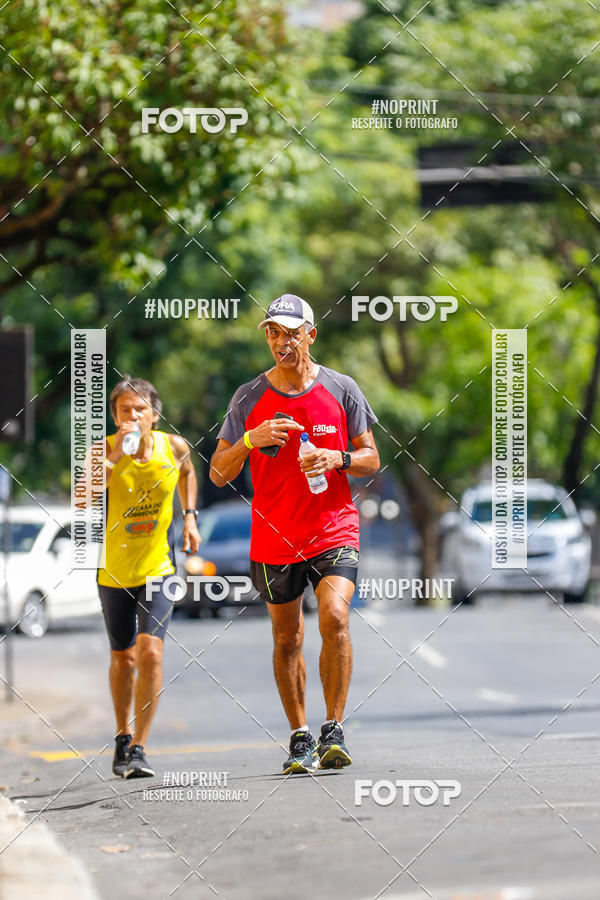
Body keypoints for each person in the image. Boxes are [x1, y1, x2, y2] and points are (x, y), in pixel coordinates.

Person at [210, 294, 379, 774]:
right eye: (273, 333)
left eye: (290, 332)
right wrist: (249, 439)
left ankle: (334, 728)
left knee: (335, 617)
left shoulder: (342, 389)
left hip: (332, 528)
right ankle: (300, 737)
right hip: (273, 537)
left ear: (311, 334)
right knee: (288, 639)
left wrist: (338, 458)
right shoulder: (248, 397)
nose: (281, 341)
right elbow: (219, 474)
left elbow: (372, 458)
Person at [95, 376, 200, 778]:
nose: (133, 416)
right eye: (125, 410)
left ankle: (139, 746)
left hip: (160, 567)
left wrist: (189, 518)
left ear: (154, 415)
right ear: (115, 417)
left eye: (140, 409)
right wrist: (117, 458)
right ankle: (122, 735)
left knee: (150, 651)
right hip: (114, 571)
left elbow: (189, 473)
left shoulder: (173, 447)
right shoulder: (101, 452)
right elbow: (85, 495)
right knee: (122, 658)